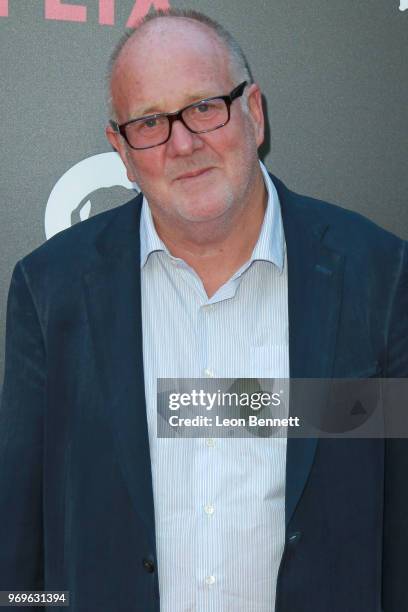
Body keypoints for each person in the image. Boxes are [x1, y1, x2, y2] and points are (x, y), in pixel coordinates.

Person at [0, 8, 407, 612]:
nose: (183, 143)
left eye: (204, 107)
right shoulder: (49, 287)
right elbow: (21, 536)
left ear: (255, 112)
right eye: (149, 122)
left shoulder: (379, 274)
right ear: (121, 147)